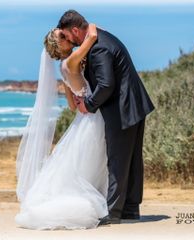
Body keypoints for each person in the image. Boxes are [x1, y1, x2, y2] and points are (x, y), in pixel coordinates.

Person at [57, 10, 155, 224]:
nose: (69, 41)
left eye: (68, 35)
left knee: (118, 160)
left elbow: (106, 84)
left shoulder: (98, 48)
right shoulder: (99, 38)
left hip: (122, 108)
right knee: (131, 160)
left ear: (75, 30)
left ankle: (113, 213)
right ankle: (130, 209)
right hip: (133, 104)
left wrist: (88, 105)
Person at [15, 23, 109, 230]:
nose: (67, 36)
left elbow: (70, 104)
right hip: (94, 116)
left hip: (84, 118)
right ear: (61, 45)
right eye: (63, 36)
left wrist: (80, 94)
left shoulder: (64, 67)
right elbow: (91, 36)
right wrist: (91, 27)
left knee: (86, 165)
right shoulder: (73, 60)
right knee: (94, 162)